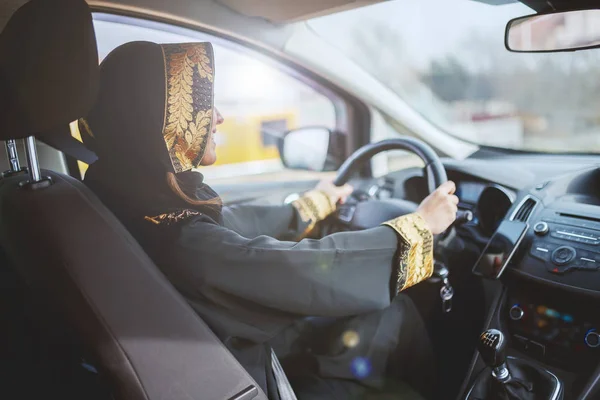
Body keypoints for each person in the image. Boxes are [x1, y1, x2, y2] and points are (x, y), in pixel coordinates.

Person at [81, 41, 459, 400]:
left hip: (220, 356)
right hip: (248, 377)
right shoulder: (178, 239)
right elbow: (297, 272)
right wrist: (419, 227)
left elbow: (231, 227)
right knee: (394, 314)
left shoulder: (131, 200)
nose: (218, 117)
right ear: (159, 119)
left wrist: (313, 204)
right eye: (201, 103)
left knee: (383, 315)